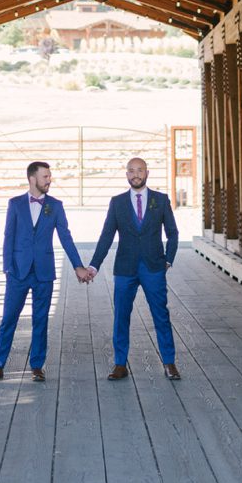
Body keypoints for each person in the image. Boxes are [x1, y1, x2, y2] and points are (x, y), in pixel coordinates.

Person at [0, 160, 92, 382]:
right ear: (32, 178)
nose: (49, 180)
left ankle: (37, 366)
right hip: (18, 272)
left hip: (44, 272)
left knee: (41, 319)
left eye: (50, 176)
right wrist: (7, 268)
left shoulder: (56, 205)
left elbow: (65, 237)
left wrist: (78, 266)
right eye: (45, 176)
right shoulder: (15, 204)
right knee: (9, 319)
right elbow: (8, 237)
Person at [87, 156, 181, 380]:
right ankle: (120, 364)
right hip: (125, 268)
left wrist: (168, 259)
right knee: (121, 315)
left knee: (161, 315)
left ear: (147, 173)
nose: (136, 174)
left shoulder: (160, 199)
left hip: (154, 267)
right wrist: (94, 265)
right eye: (131, 170)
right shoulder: (117, 202)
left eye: (140, 170)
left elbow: (173, 233)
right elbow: (106, 236)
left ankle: (169, 363)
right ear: (126, 174)